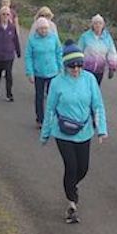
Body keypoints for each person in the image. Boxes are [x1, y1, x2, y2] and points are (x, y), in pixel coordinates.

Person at [41, 42, 108, 224]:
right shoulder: (57, 82)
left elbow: (97, 105)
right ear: (65, 66)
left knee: (82, 168)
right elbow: (50, 109)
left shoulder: (90, 80)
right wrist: (45, 134)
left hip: (84, 132)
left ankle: (72, 186)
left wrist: (101, 129)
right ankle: (72, 203)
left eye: (80, 65)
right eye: (72, 66)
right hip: (62, 133)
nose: (77, 69)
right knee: (71, 166)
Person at [25, 16, 63, 127]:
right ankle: (40, 119)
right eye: (42, 29)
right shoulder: (32, 40)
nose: (44, 31)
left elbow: (59, 53)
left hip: (53, 72)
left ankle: (54, 118)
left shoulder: (54, 38)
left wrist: (61, 68)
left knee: (54, 97)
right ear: (37, 29)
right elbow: (28, 57)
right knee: (39, 97)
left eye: (46, 28)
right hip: (39, 72)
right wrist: (30, 73)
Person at [0, 6, 21, 102]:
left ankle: (9, 94)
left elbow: (15, 40)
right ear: (0, 16)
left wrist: (18, 51)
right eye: (3, 14)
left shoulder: (12, 27)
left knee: (8, 74)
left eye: (7, 14)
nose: (5, 16)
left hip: (9, 55)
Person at [77, 14, 117, 85]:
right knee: (86, 89)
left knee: (96, 90)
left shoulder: (107, 38)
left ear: (103, 25)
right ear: (92, 25)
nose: (98, 25)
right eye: (95, 23)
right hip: (86, 69)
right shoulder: (85, 37)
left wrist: (112, 67)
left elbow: (112, 53)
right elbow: (79, 50)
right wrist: (77, 65)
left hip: (99, 70)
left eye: (100, 23)